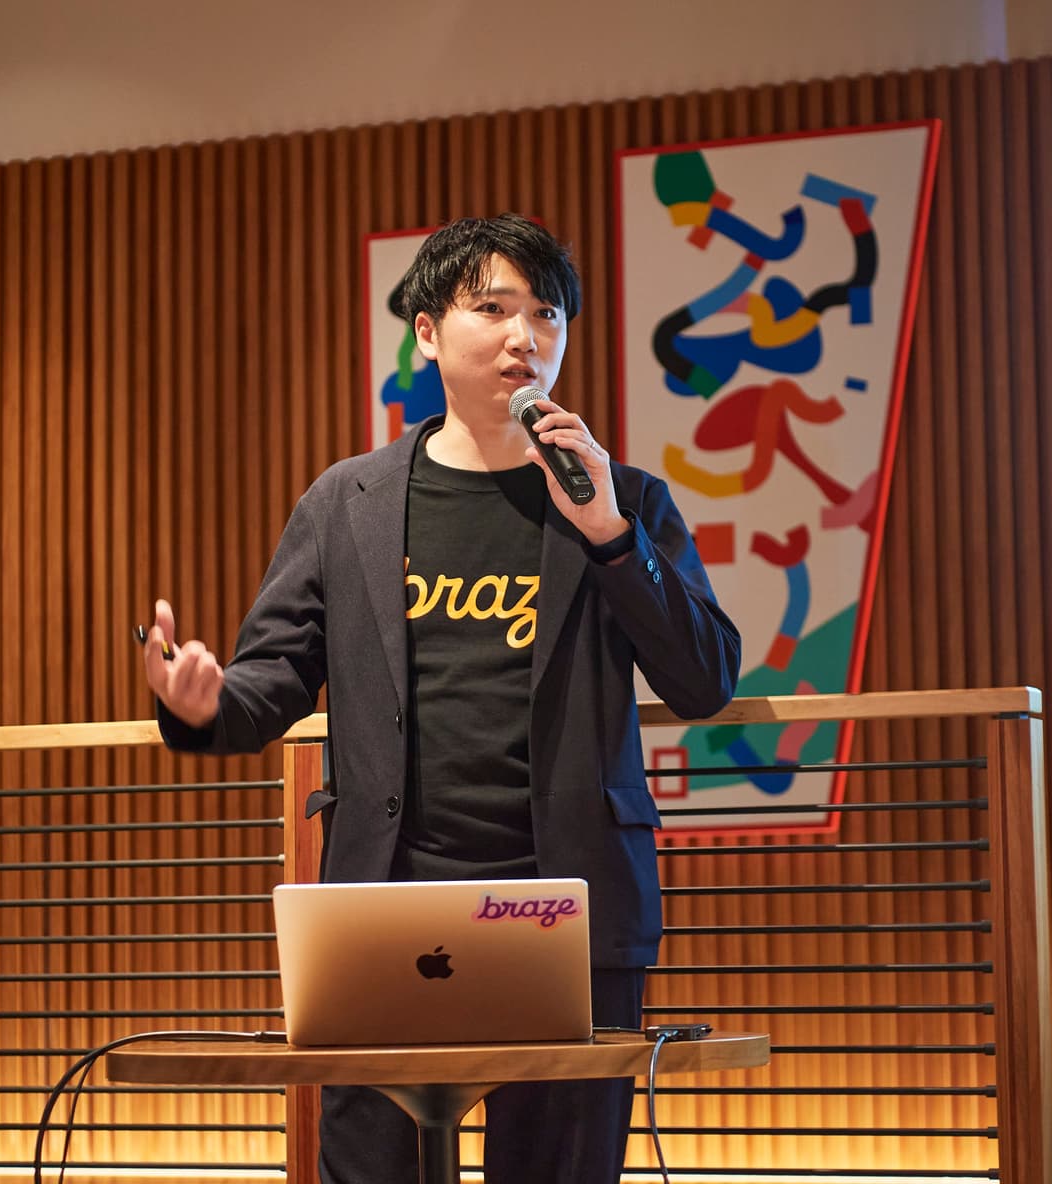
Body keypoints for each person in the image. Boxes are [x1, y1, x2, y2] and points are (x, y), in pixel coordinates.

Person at [141, 214, 741, 1184]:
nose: (525, 336)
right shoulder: (350, 500)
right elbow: (275, 674)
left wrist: (610, 533)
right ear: (427, 331)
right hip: (389, 902)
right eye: (493, 307)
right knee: (375, 1167)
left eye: (547, 313)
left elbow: (705, 677)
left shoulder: (624, 497)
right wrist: (200, 701)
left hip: (567, 902)